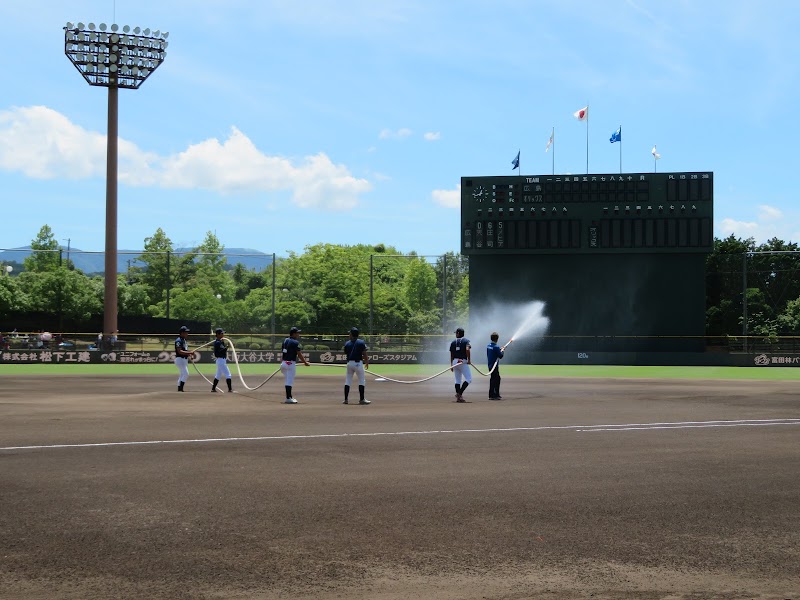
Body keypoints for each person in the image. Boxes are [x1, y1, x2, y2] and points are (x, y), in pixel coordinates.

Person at [280, 326, 309, 404]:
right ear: (294, 334)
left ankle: (289, 397)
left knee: (287, 380)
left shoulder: (285, 340)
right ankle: (288, 398)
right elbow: (299, 354)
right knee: (289, 381)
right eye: (297, 333)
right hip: (290, 364)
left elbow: (283, 351)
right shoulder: (295, 342)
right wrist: (305, 362)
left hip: (283, 364)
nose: (298, 334)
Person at [342, 327, 370, 405]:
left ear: (352, 334)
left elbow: (345, 352)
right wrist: (367, 362)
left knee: (348, 380)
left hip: (349, 363)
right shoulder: (361, 342)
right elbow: (364, 353)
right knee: (361, 380)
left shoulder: (347, 343)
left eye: (350, 333)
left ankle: (346, 400)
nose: (349, 335)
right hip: (358, 363)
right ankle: (362, 399)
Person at [450, 327, 472, 402]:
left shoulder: (453, 342)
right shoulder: (466, 341)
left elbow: (452, 354)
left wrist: (451, 365)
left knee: (457, 380)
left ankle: (459, 398)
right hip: (462, 362)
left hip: (455, 362)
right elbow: (467, 349)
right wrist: (469, 360)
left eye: (456, 333)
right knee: (469, 379)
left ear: (458, 333)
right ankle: (459, 393)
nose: (455, 334)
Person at [211, 328, 233, 393]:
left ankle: (213, 389)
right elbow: (221, 351)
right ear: (218, 334)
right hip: (221, 360)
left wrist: (224, 344)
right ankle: (230, 389)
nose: (223, 334)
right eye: (222, 333)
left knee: (218, 375)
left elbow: (222, 349)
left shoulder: (219, 341)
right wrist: (227, 347)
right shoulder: (218, 342)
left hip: (221, 360)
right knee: (228, 374)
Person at [486, 332, 505, 400]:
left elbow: (494, 352)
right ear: (497, 339)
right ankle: (492, 395)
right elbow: (500, 356)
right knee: (495, 379)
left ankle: (496, 394)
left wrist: (500, 350)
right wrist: (502, 351)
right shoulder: (496, 347)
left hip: (490, 365)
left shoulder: (489, 346)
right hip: (494, 366)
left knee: (495, 379)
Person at [174, 326, 193, 392]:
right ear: (182, 333)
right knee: (186, 373)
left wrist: (189, 354)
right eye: (186, 332)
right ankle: (181, 388)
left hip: (184, 359)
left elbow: (185, 350)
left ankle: (179, 388)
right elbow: (180, 351)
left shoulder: (184, 340)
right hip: (180, 359)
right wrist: (189, 352)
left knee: (182, 374)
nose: (187, 334)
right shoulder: (178, 341)